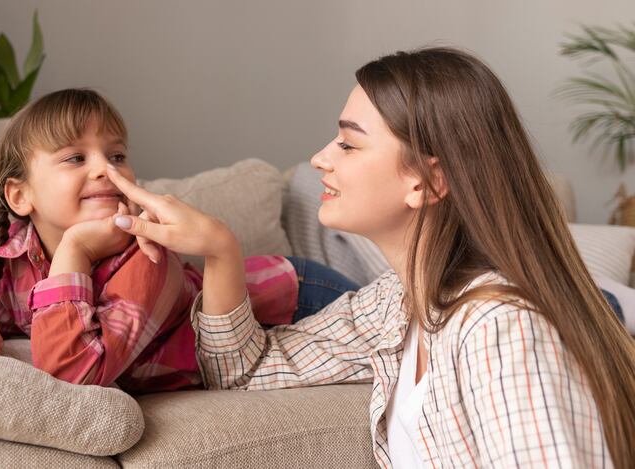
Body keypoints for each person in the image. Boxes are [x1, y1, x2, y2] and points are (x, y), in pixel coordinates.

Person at [104, 48, 635, 467]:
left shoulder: (502, 329)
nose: (319, 159)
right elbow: (245, 372)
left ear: (427, 181)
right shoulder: (396, 306)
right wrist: (221, 251)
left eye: (348, 144)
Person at [0, 88, 358, 394]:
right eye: (75, 157)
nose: (106, 170)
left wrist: (74, 250)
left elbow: (77, 373)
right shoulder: (6, 257)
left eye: (116, 154)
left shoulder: (146, 254)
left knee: (411, 319)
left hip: (293, 296)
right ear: (20, 195)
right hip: (275, 306)